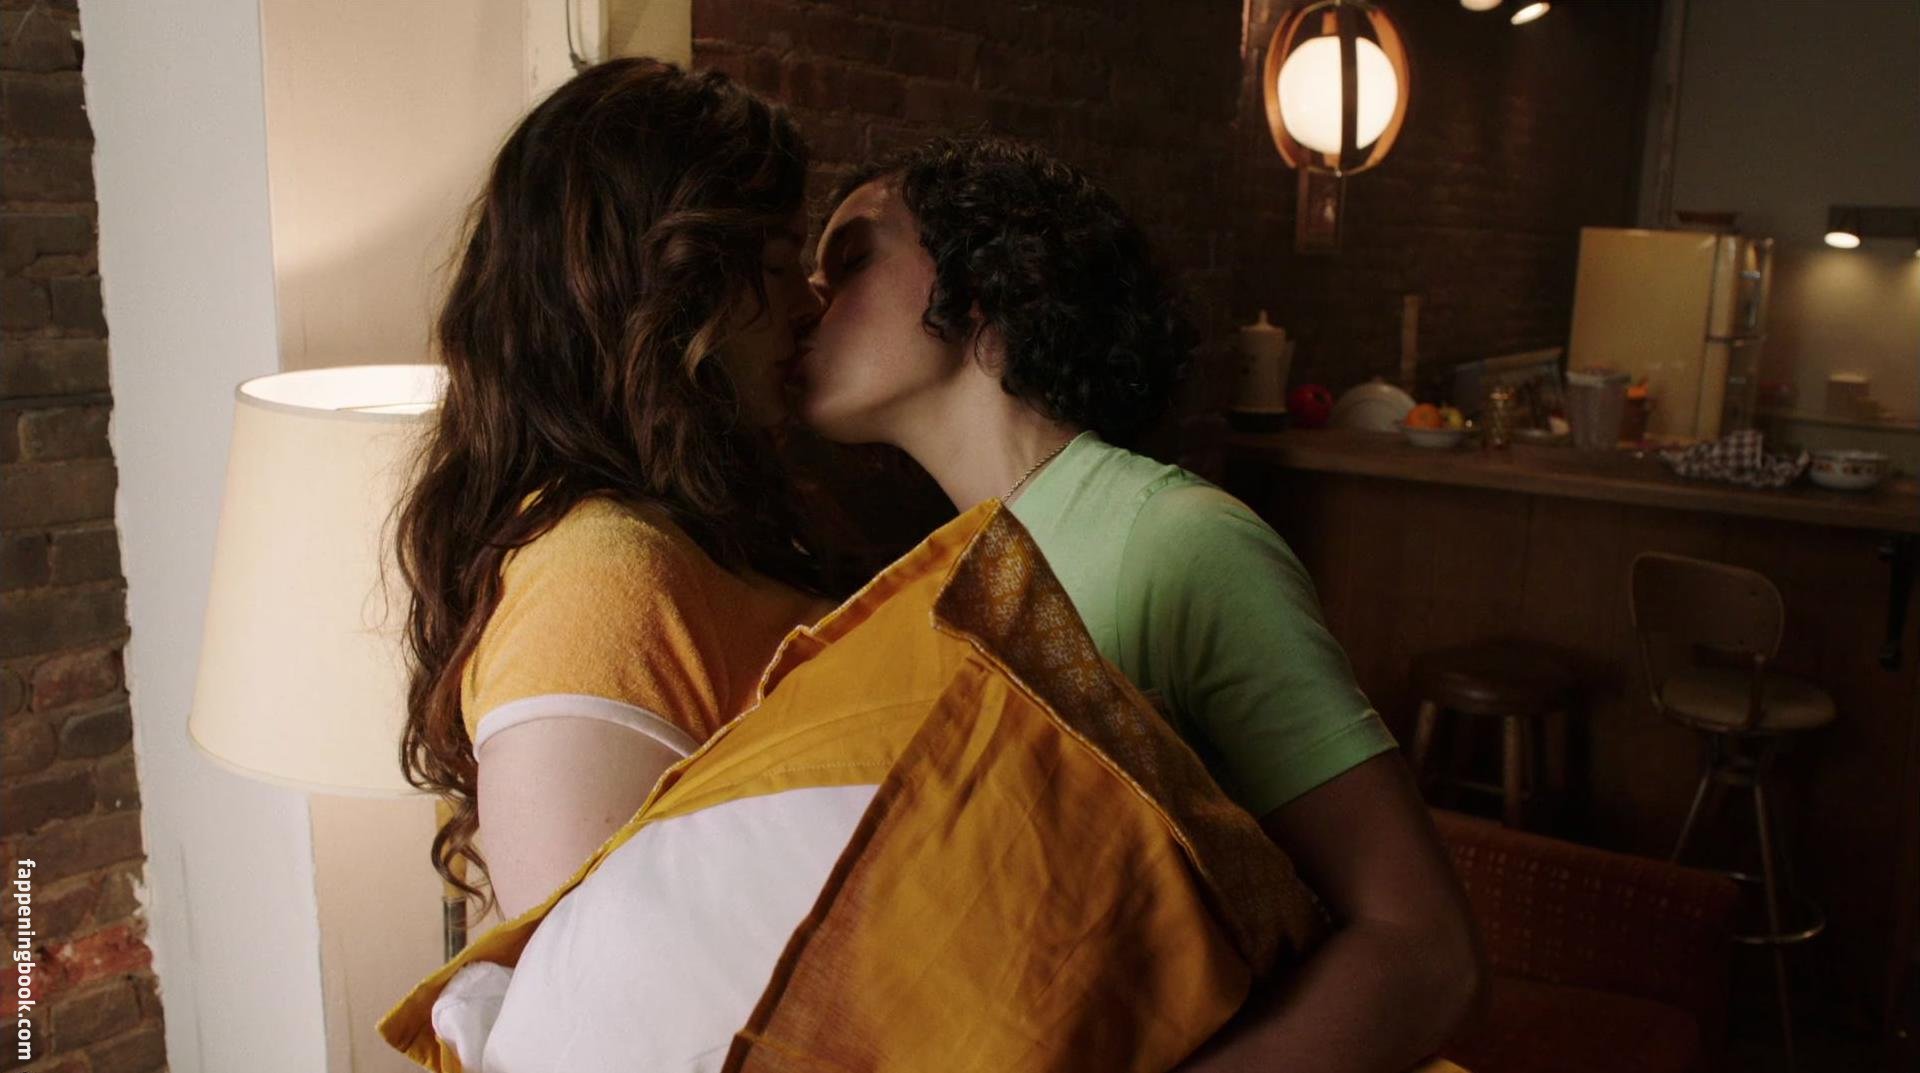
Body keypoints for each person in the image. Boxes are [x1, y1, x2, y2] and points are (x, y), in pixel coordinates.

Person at [798, 134, 1487, 1073]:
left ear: (982, 282)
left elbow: (1424, 952)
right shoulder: (939, 579)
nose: (809, 299)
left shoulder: (1179, 544)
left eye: (849, 261)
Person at [393, 57, 835, 923]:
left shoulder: (695, 525)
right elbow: (593, 985)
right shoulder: (596, 580)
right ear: (675, 290)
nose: (810, 303)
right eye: (780, 262)